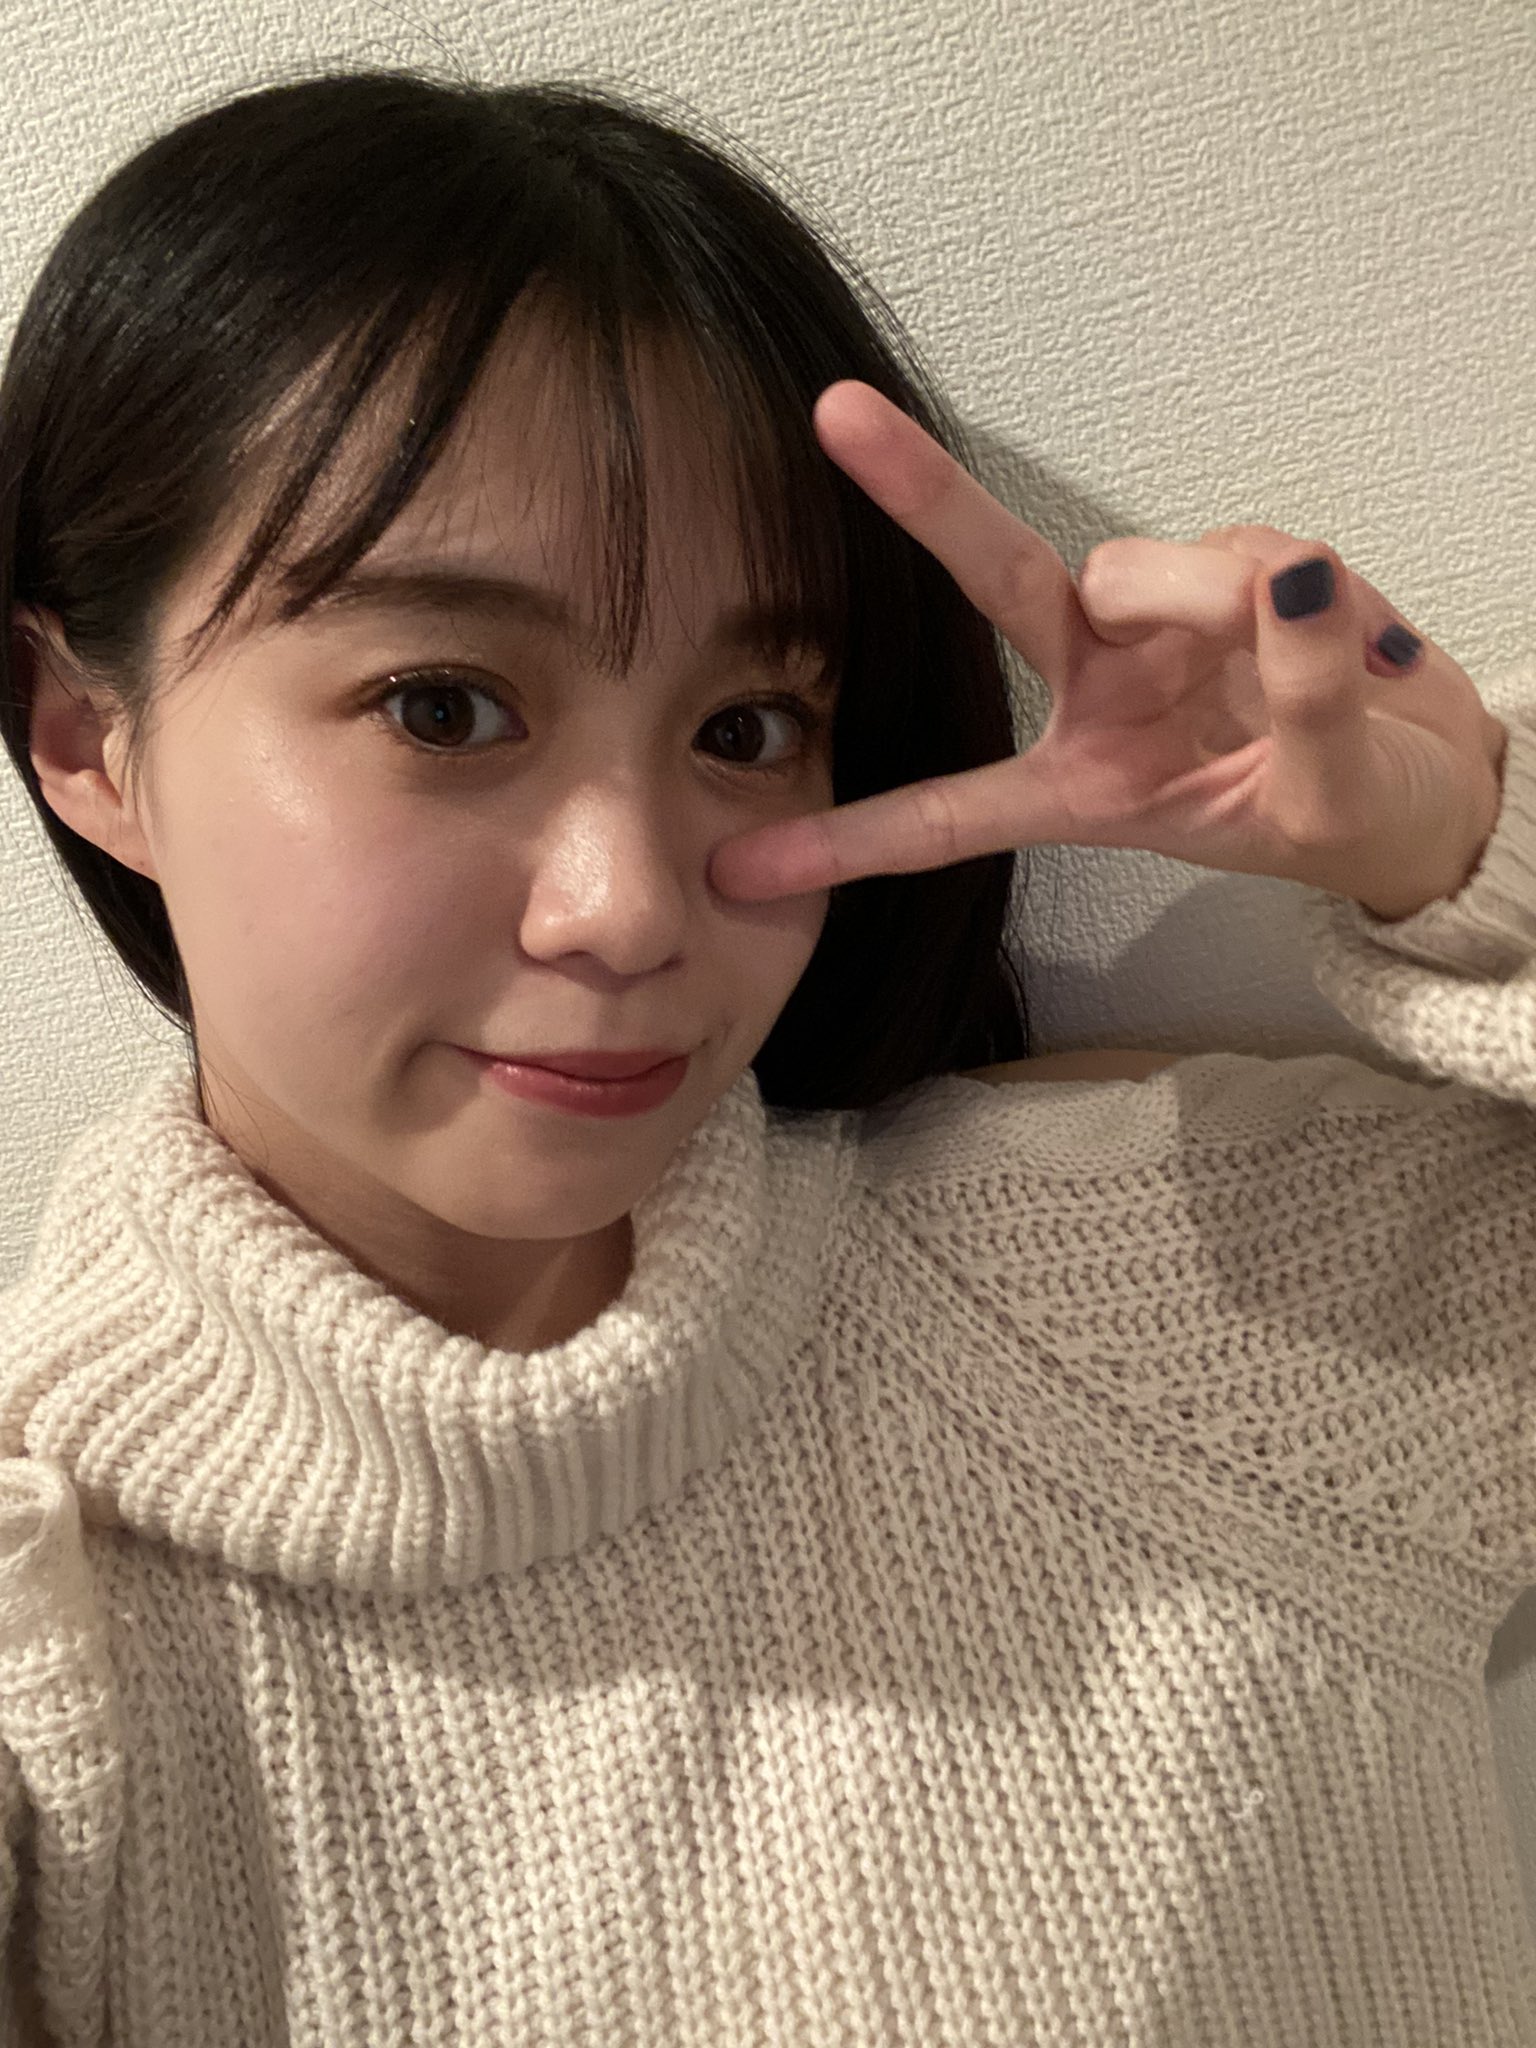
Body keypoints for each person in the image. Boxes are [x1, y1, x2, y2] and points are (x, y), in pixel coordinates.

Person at [0, 65, 1530, 2048]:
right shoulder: (56, 1670)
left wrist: (1467, 854)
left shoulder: (1184, 1298)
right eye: (444, 705)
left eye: (744, 728)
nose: (627, 906)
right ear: (84, 738)